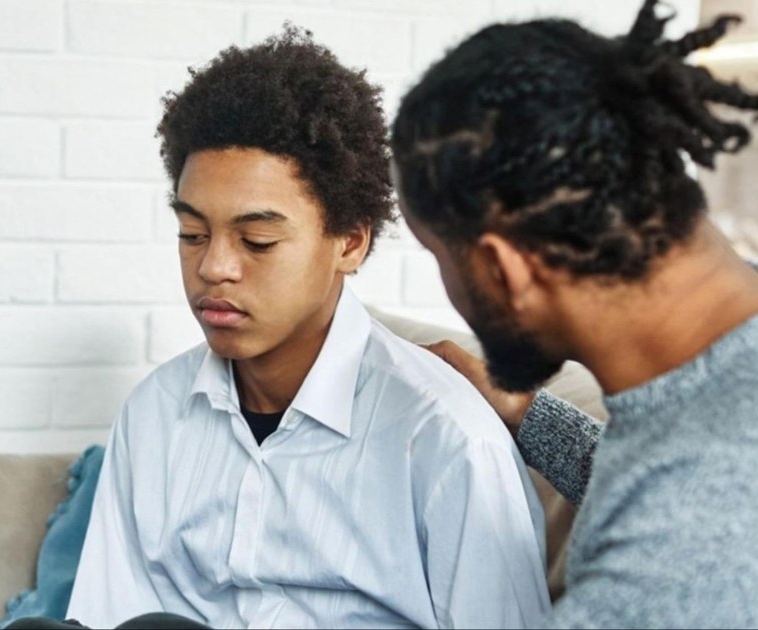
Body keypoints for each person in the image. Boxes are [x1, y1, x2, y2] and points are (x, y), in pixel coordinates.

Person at [391, 0, 758, 627]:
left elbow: (704, 528)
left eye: (438, 257)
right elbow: (673, 483)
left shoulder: (699, 566)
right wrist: (525, 414)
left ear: (505, 269)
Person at [60, 28, 551, 629]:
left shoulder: (446, 439)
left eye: (257, 240)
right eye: (192, 234)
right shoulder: (154, 416)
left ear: (350, 241)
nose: (213, 267)